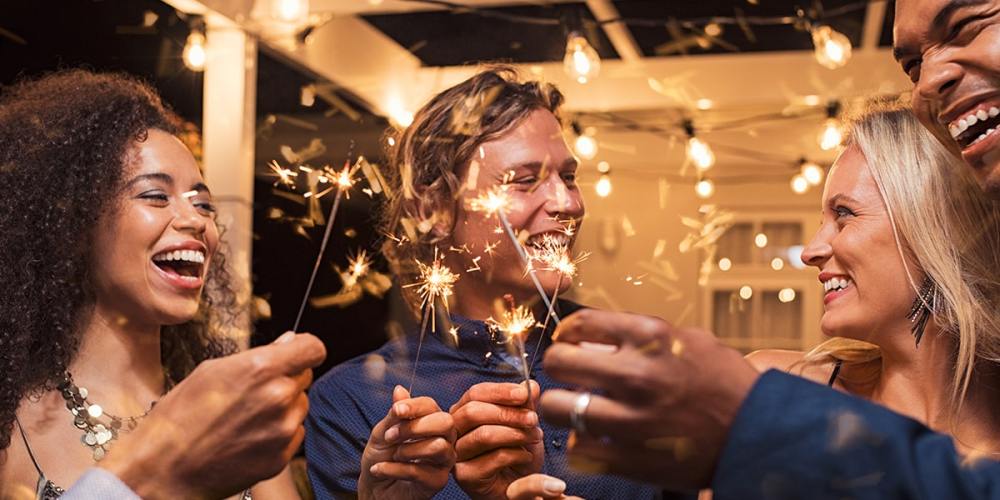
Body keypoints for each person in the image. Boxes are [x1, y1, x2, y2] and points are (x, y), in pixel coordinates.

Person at [533, 0, 1000, 497]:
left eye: (844, 215)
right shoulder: (774, 379)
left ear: (935, 224)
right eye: (914, 65)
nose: (811, 251)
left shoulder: (762, 409)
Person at [304, 67, 659, 499]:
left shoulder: (639, 363)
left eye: (568, 177)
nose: (568, 203)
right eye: (525, 181)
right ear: (432, 211)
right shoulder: (355, 404)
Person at [0, 69, 324, 499]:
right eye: (155, 195)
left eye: (203, 204)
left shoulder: (232, 418)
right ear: (74, 225)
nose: (196, 220)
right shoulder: (13, 424)